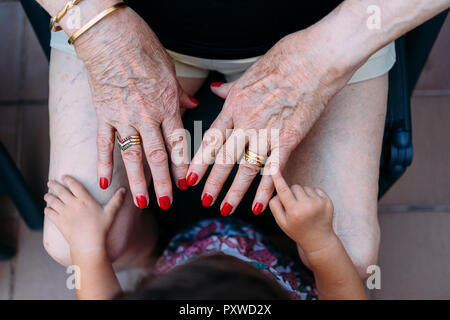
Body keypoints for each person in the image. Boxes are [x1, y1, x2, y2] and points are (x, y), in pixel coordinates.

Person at [36, 0, 450, 277]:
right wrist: (97, 28)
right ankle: (165, 266)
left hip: (335, 24)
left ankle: (173, 269)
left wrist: (322, 60)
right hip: (117, 16)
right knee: (349, 257)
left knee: (354, 252)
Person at [43, 170, 366, 300]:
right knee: (359, 257)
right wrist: (318, 240)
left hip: (181, 244)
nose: (220, 256)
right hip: (281, 251)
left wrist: (87, 247)